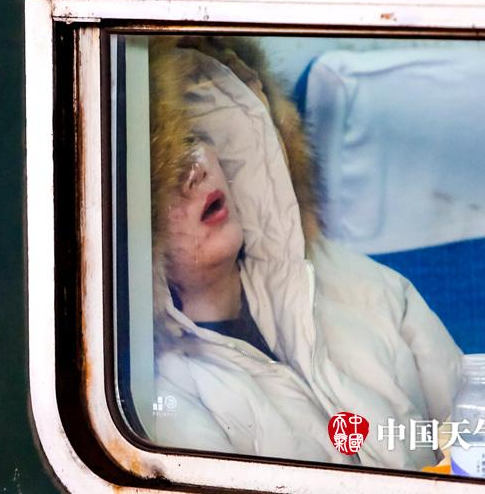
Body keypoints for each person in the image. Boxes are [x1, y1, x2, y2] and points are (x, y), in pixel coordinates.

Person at [149, 36, 462, 469]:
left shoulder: (363, 286)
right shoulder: (157, 395)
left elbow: (477, 428)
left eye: (193, 139)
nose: (197, 169)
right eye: (162, 174)